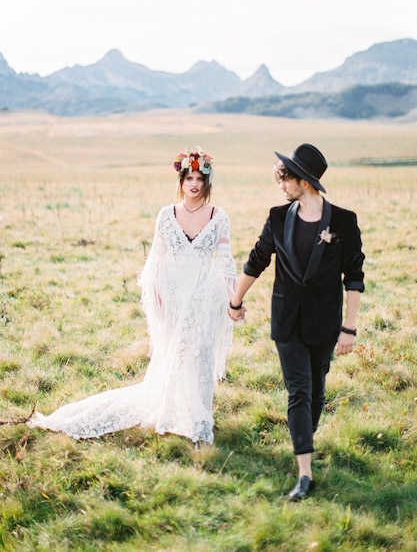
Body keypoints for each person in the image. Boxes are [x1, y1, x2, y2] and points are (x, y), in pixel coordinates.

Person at [28, 147, 237, 447]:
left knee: (201, 355)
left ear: (207, 182)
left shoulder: (219, 216)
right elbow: (155, 262)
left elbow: (226, 260)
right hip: (174, 295)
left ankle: (200, 419)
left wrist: (233, 300)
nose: (194, 184)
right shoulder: (167, 215)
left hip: (204, 298)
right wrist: (158, 299)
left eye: (199, 179)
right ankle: (172, 407)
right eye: (188, 177)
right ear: (181, 180)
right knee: (174, 356)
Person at [228, 143, 365, 500]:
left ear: (303, 180)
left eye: (284, 178)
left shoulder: (343, 222)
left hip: (325, 322)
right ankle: (305, 473)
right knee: (299, 390)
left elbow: (354, 276)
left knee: (317, 389)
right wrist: (235, 300)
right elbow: (256, 261)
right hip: (286, 320)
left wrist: (349, 327)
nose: (280, 185)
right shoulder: (277, 217)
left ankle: (305, 436)